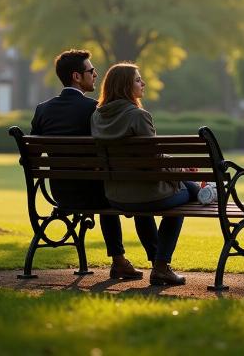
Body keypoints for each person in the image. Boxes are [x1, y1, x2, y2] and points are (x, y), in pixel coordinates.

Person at [30, 49, 143, 281]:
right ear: (77, 76)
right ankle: (127, 261)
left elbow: (30, 156)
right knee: (114, 190)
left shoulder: (43, 109)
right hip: (96, 194)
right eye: (91, 71)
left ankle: (121, 261)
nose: (95, 74)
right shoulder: (94, 109)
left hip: (59, 193)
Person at [91, 63, 199, 286]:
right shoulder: (139, 116)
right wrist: (179, 170)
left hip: (115, 197)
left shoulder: (97, 117)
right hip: (147, 195)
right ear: (125, 86)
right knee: (184, 198)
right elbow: (156, 164)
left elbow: (150, 161)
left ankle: (157, 261)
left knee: (181, 187)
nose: (143, 83)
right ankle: (161, 266)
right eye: (138, 80)